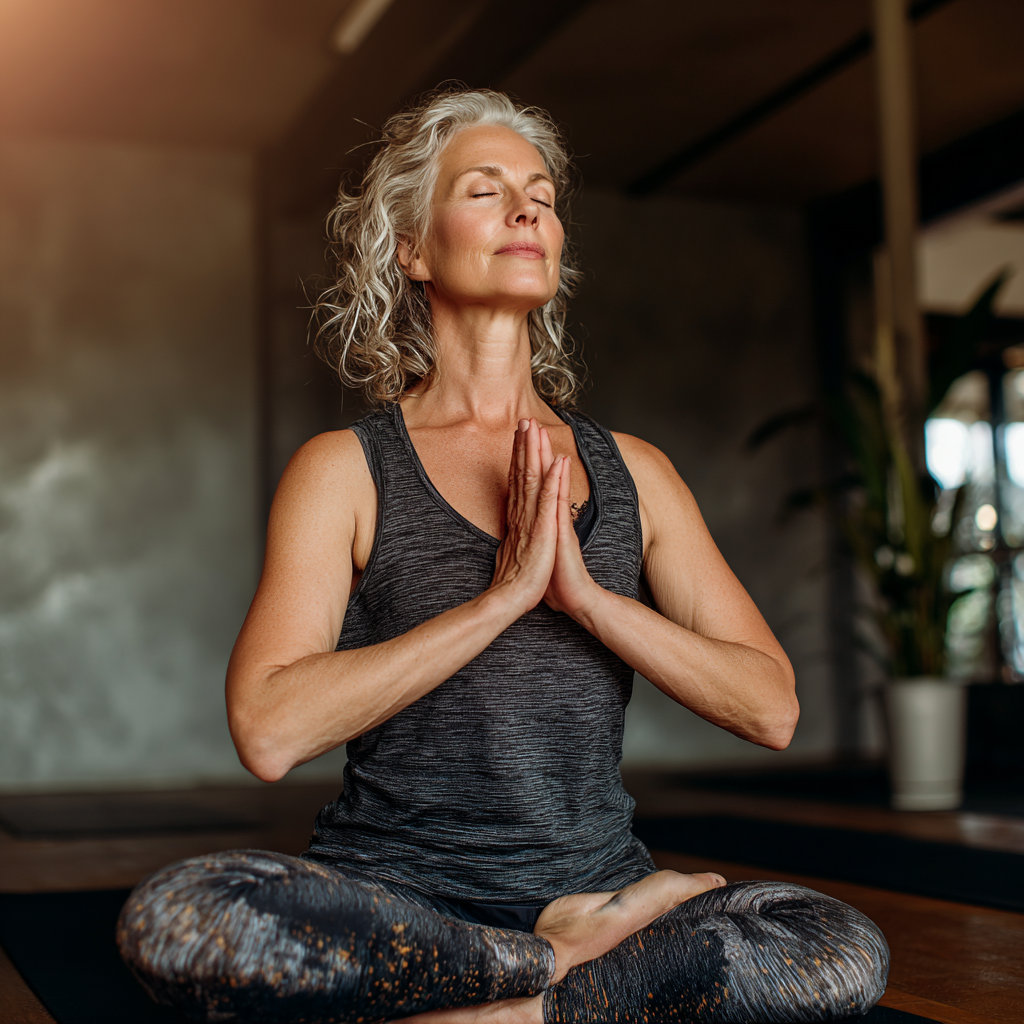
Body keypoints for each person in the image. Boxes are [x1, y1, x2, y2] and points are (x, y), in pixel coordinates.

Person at [117, 89, 888, 1023]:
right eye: (485, 191)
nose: (528, 209)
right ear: (412, 248)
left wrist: (588, 600)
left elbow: (771, 707)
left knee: (834, 950)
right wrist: (499, 599)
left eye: (544, 195)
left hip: (597, 888)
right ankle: (548, 972)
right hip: (397, 899)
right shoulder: (347, 471)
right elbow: (270, 731)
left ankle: (503, 1001)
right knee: (185, 920)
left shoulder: (634, 473)